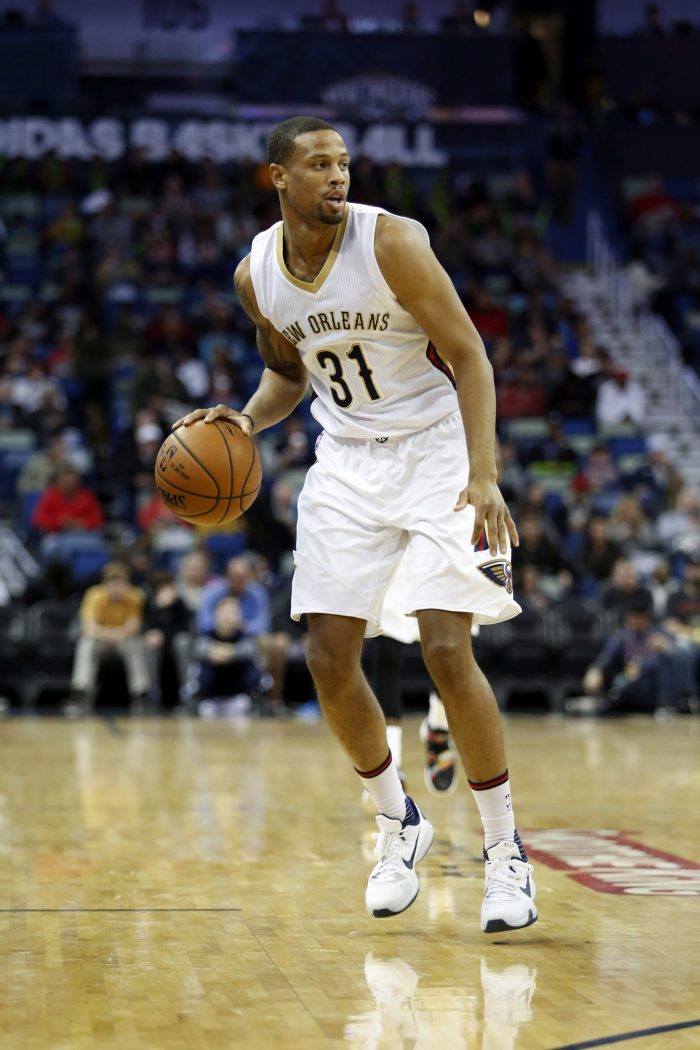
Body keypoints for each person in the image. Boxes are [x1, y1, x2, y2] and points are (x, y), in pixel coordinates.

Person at [174, 116, 536, 933]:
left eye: (344, 163)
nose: (338, 176)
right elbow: (287, 373)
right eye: (319, 164)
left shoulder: (393, 242)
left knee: (447, 646)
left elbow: (471, 355)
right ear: (278, 177)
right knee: (326, 656)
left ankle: (507, 854)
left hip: (437, 450)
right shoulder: (256, 274)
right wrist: (243, 421)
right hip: (346, 462)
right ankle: (396, 821)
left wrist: (483, 474)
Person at [66, 561, 150, 716]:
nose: (117, 587)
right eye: (113, 583)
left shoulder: (134, 595)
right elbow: (89, 627)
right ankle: (81, 691)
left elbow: (134, 626)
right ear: (105, 583)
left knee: (136, 644)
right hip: (101, 640)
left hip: (123, 640)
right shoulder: (94, 595)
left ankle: (141, 694)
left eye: (121, 582)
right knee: (87, 642)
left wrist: (118, 634)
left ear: (127, 583)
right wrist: (108, 634)